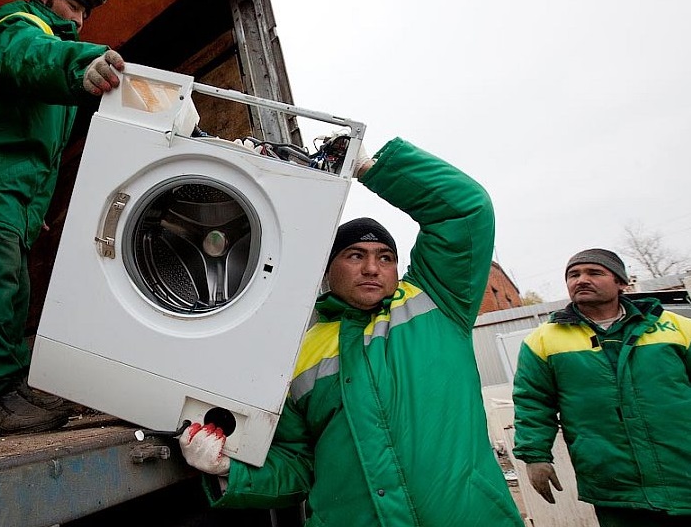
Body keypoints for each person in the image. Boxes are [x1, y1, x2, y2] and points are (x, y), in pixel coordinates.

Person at [179, 138, 524, 526]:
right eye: (355, 255)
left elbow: (466, 210)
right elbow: (298, 464)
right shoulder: (296, 353)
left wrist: (371, 168)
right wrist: (230, 472)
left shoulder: (438, 301)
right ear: (328, 270)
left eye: (385, 257)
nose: (372, 268)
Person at [0, 0, 124, 439]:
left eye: (87, 14)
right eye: (76, 5)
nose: (80, 19)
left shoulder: (54, 54)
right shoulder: (15, 25)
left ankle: (15, 388)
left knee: (15, 292)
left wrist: (36, 210)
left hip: (15, 196)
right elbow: (30, 57)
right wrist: (83, 60)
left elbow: (42, 153)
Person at [512, 248, 691, 526]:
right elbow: (533, 403)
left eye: (594, 272)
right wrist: (535, 456)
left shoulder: (676, 328)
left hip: (682, 469)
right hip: (612, 481)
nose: (581, 280)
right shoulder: (543, 341)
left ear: (621, 282)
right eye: (574, 274)